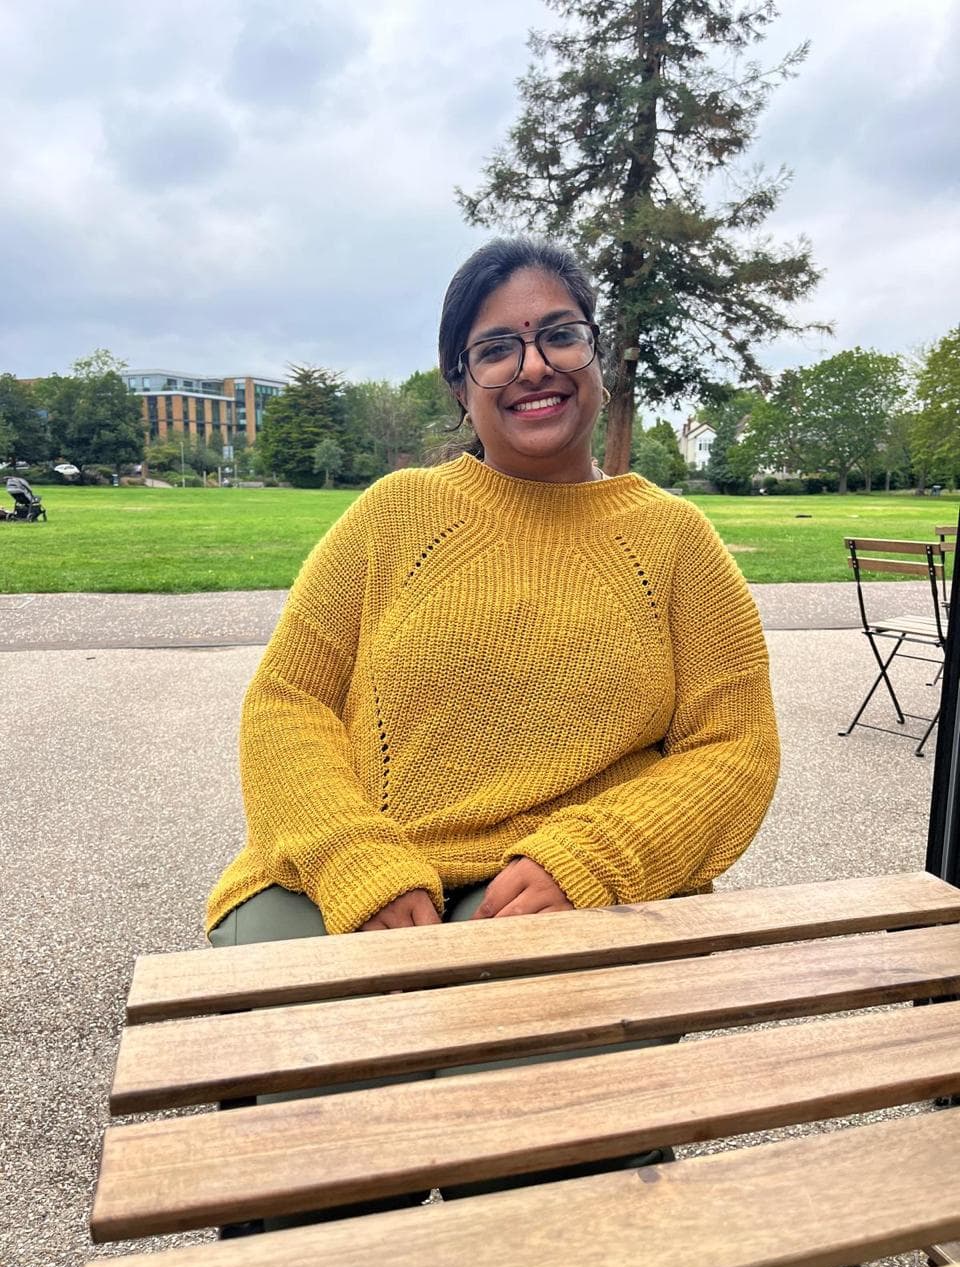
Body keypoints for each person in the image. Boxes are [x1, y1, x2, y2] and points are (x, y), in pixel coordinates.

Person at [205, 235, 779, 1202]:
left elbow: (737, 746)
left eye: (560, 335)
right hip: (348, 879)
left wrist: (593, 859)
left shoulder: (674, 541)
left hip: (570, 889)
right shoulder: (398, 515)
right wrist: (352, 855)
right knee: (325, 1140)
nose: (534, 366)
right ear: (461, 383)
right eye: (496, 348)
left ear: (597, 354)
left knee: (529, 1151)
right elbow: (287, 698)